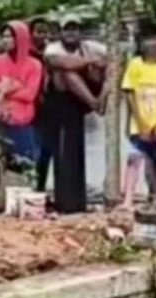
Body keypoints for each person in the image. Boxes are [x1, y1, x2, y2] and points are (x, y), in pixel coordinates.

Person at [41, 15, 106, 213]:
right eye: (67, 29)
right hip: (60, 102)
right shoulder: (53, 48)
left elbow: (111, 62)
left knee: (77, 152)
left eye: (75, 29)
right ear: (60, 32)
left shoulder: (92, 46)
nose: (71, 33)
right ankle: (66, 202)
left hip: (82, 99)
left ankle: (97, 101)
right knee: (64, 153)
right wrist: (88, 62)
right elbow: (64, 64)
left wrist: (93, 66)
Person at [121, 21, 156, 202]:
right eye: (146, 39)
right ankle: (128, 200)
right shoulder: (135, 65)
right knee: (134, 159)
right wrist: (140, 122)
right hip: (139, 125)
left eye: (155, 39)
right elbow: (130, 96)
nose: (151, 44)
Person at [0, 21, 42, 163]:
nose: (6, 40)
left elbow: (30, 94)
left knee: (25, 166)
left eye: (11, 36)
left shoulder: (34, 65)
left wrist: (7, 88)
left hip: (24, 124)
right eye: (4, 36)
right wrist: (17, 86)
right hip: (2, 123)